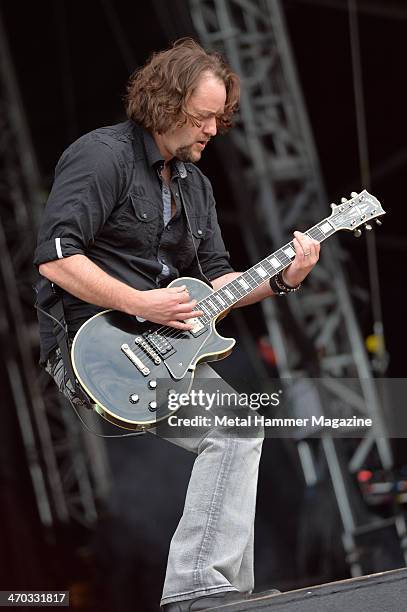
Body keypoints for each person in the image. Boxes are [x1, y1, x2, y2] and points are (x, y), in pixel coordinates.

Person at [34, 38, 320, 611]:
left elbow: (218, 284)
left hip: (160, 351)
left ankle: (214, 593)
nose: (214, 129)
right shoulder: (102, 156)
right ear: (165, 102)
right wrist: (143, 303)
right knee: (234, 431)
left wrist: (286, 277)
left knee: (239, 428)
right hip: (94, 353)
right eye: (203, 116)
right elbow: (56, 257)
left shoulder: (195, 186)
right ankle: (196, 590)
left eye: (220, 117)